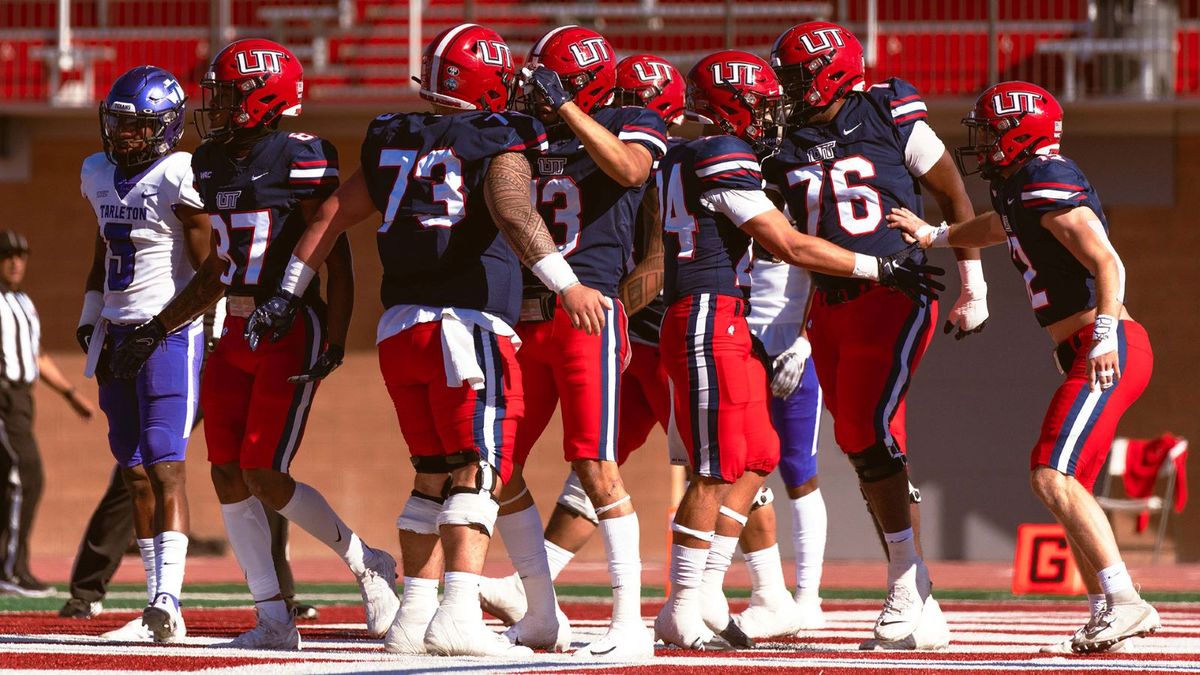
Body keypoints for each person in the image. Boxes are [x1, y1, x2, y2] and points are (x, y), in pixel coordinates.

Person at [248, 23, 606, 657]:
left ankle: (415, 612)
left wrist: (286, 291)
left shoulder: (394, 136)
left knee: (432, 472)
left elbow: (332, 216)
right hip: (465, 327)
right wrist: (567, 283)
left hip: (399, 329)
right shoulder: (499, 137)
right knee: (480, 466)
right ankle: (460, 614)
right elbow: (515, 213)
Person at [109, 39, 397, 651]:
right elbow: (214, 270)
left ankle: (366, 561)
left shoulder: (303, 154)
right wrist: (159, 329)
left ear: (264, 94)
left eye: (228, 92)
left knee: (265, 473)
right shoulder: (208, 160)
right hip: (233, 326)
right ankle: (272, 616)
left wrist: (337, 333)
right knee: (225, 475)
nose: (214, 104)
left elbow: (337, 256)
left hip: (289, 323)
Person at [653, 50, 942, 650]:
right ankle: (684, 601)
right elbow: (787, 244)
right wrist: (879, 266)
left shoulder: (677, 155)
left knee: (760, 452)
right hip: (716, 313)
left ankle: (747, 593)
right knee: (718, 466)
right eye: (758, 99)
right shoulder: (724, 155)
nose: (771, 109)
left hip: (712, 316)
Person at [887, 80, 1159, 655]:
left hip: (1106, 343)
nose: (983, 144)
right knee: (1070, 483)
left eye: (991, 132)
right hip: (1091, 345)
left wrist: (1104, 334)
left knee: (1049, 474)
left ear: (1021, 133)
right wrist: (936, 234)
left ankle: (1127, 601)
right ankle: (1105, 611)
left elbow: (1108, 262)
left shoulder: (1044, 179)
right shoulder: (1023, 187)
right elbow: (996, 227)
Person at [763, 21, 984, 648]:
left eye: (799, 75)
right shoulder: (784, 142)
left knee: (864, 431)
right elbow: (794, 246)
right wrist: (798, 331)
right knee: (867, 442)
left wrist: (974, 285)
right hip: (830, 306)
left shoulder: (887, 108)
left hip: (896, 290)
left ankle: (905, 582)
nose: (789, 88)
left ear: (833, 68)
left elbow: (952, 195)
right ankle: (924, 604)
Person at [480, 26, 668, 660]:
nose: (536, 94)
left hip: (589, 309)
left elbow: (630, 167)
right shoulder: (527, 135)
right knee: (499, 463)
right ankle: (540, 613)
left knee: (594, 464)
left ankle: (629, 624)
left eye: (548, 83)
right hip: (527, 312)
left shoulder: (632, 120)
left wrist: (568, 108)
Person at [59, 301, 320, 623]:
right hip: (185, 347)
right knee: (139, 464)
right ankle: (86, 592)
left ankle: (282, 594)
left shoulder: (244, 252)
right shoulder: (197, 251)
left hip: (235, 350)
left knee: (259, 464)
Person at [76, 65, 208, 642]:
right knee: (132, 472)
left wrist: (172, 328)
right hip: (116, 331)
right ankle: (153, 607)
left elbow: (213, 269)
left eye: (136, 125)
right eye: (118, 123)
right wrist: (88, 316)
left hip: (171, 333)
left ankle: (168, 599)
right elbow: (104, 249)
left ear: (165, 126)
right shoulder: (97, 172)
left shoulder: (179, 173)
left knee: (165, 462)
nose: (123, 134)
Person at [0, 231, 96, 598]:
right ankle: (12, 569)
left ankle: (8, 566)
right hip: (3, 398)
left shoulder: (24, 303)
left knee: (10, 482)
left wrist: (71, 395)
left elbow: (37, 356)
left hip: (23, 400)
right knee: (26, 476)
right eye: (7, 254)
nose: (15, 262)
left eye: (20, 255)